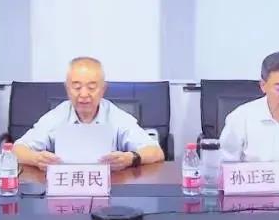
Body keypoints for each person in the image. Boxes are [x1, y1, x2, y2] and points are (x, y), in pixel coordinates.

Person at [13, 56, 165, 170]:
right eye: (77, 87)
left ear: (103, 89)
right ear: (67, 89)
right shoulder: (56, 116)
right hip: (64, 189)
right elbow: (16, 150)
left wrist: (130, 158)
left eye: (91, 87)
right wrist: (36, 159)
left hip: (109, 188)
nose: (84, 94)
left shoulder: (116, 116)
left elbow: (156, 152)